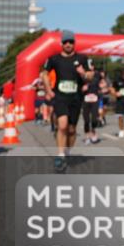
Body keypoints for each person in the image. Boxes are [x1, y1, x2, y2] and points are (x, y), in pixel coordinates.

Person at [41, 30, 93, 171]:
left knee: (71, 129)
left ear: (74, 43)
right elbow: (44, 74)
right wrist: (49, 90)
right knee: (62, 125)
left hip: (76, 98)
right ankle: (60, 155)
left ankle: (67, 151)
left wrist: (84, 73)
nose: (68, 44)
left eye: (71, 42)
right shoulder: (54, 59)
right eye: (66, 42)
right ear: (61, 44)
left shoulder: (82, 58)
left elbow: (90, 75)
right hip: (60, 96)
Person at [80, 66, 103, 145]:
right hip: (85, 102)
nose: (89, 74)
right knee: (86, 120)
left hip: (94, 101)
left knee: (94, 119)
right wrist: (82, 89)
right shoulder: (82, 81)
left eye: (91, 72)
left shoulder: (96, 80)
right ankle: (87, 136)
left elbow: (101, 77)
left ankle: (93, 131)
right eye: (87, 72)